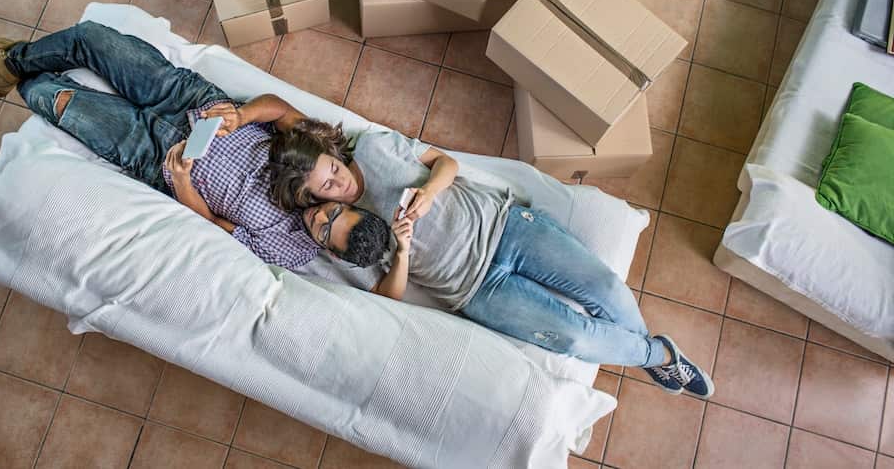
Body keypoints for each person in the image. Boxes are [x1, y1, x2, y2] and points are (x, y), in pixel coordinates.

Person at [269, 126, 716, 399]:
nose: (340, 182)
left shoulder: (374, 148)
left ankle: (650, 354)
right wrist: (402, 251)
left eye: (333, 167)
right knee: (574, 338)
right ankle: (656, 354)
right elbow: (389, 298)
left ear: (333, 153)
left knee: (607, 289)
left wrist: (430, 192)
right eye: (327, 187)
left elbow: (446, 163)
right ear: (315, 197)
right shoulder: (335, 234)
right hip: (476, 290)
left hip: (506, 226)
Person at [0, 19, 388, 269]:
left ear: (329, 251)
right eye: (334, 212)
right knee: (91, 38)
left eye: (326, 231)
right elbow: (280, 109)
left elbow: (216, 229)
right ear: (349, 205)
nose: (321, 217)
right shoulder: (330, 165)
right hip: (191, 101)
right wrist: (241, 115)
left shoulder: (289, 248)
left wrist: (182, 182)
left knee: (48, 98)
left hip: (158, 156)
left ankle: (14, 69)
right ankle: (10, 61)